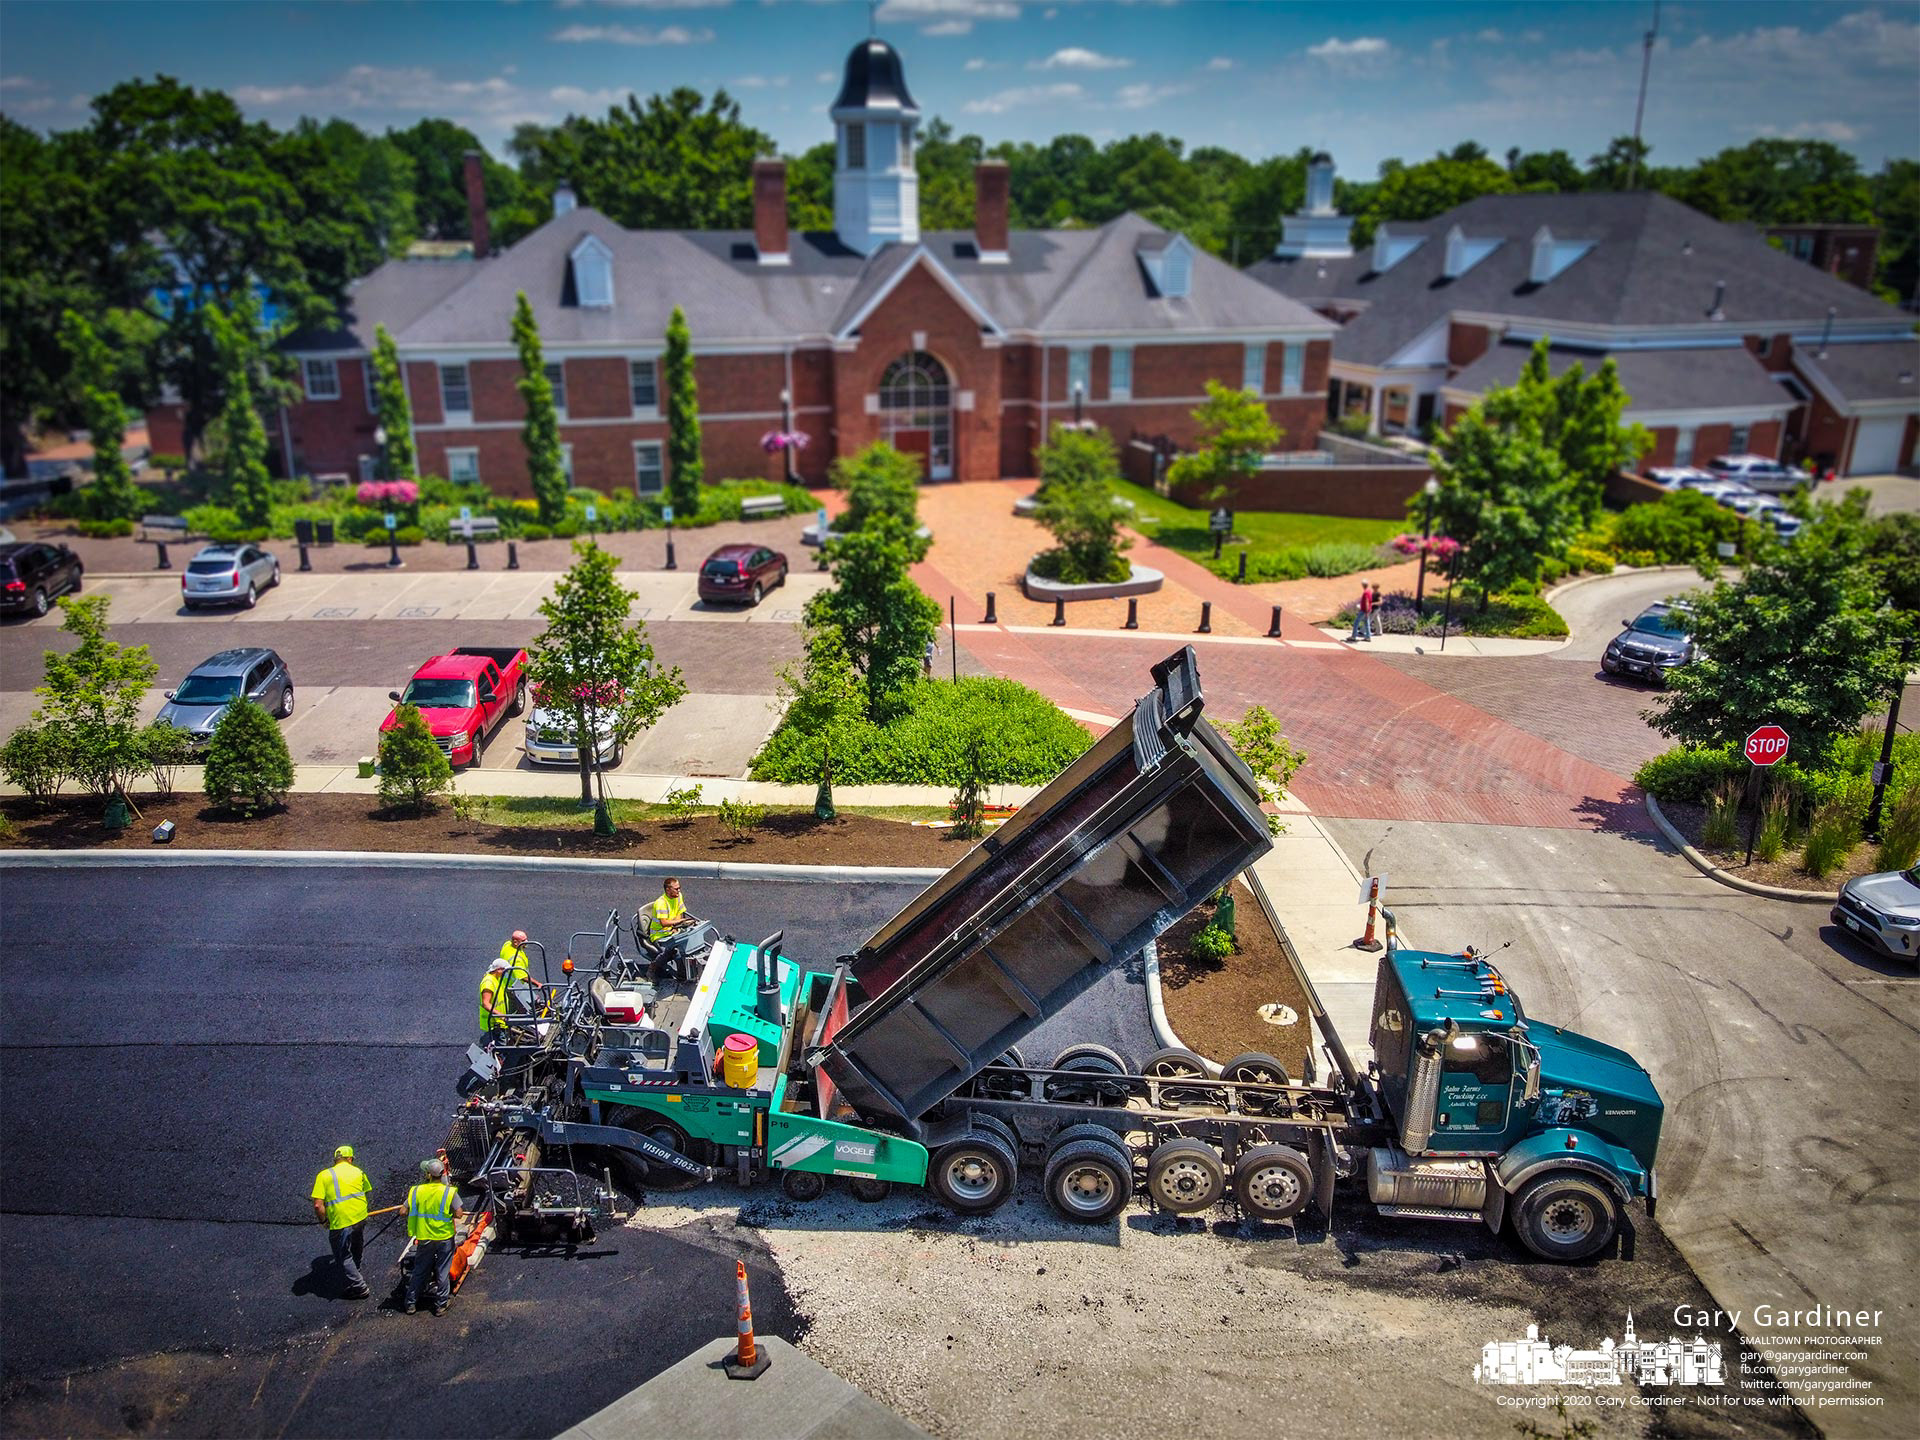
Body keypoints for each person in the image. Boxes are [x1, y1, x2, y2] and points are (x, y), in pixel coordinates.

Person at [403, 1158, 465, 1317]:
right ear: (443, 1174)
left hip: (425, 1237)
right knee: (443, 1271)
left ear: (428, 1175)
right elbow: (459, 1213)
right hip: (444, 1237)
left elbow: (403, 1211)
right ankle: (440, 1305)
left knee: (419, 1270)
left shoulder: (417, 1191)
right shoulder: (449, 1192)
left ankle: (410, 1303)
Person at [310, 1144, 373, 1300]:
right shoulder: (359, 1172)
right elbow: (366, 1191)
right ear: (350, 1159)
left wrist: (324, 1221)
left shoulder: (324, 1175)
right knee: (357, 1242)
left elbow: (318, 1205)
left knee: (342, 1255)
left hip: (340, 1222)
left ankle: (360, 1287)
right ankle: (355, 1269)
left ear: (336, 1160)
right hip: (360, 1216)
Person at [479, 955, 514, 1036]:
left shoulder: (497, 979)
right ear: (498, 970)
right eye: (505, 970)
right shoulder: (488, 983)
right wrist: (500, 1015)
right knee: (499, 1046)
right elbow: (486, 1003)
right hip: (494, 1023)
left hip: (500, 1021)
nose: (506, 973)